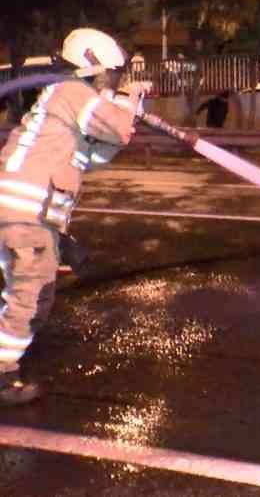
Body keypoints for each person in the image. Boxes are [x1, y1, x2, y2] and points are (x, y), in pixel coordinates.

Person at [0, 28, 148, 405]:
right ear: (90, 65)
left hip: (24, 215)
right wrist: (129, 106)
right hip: (23, 215)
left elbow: (94, 155)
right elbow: (116, 127)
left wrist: (62, 239)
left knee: (20, 292)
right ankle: (2, 376)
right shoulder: (72, 92)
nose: (112, 82)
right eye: (110, 74)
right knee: (30, 296)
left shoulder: (68, 105)